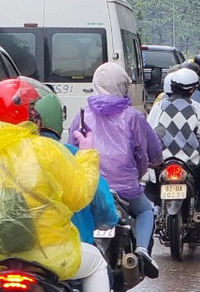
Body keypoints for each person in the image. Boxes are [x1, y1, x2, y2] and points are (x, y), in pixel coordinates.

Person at [0, 78, 108, 292]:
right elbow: (78, 198)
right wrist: (87, 154)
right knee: (96, 262)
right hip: (50, 254)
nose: (35, 113)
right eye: (31, 107)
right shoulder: (46, 149)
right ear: (19, 111)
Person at [68, 62, 163, 277]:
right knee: (146, 210)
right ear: (123, 85)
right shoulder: (133, 116)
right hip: (126, 188)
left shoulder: (82, 115)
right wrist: (139, 173)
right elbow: (145, 153)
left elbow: (70, 150)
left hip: (91, 187)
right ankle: (142, 251)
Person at [36, 80, 120, 257]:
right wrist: (109, 220)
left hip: (13, 256)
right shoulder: (74, 155)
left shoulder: (0, 156)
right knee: (100, 269)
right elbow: (102, 205)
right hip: (70, 252)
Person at [147, 67, 200, 228]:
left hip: (162, 162)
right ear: (192, 89)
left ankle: (155, 209)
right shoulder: (198, 108)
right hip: (191, 163)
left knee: (150, 183)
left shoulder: (159, 107)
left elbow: (150, 134)